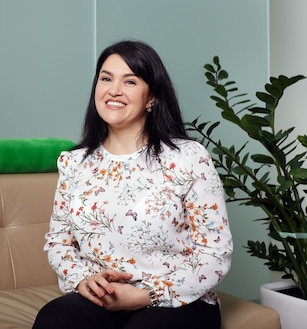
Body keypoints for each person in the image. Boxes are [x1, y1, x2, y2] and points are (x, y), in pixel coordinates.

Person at [32, 40, 233, 329]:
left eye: (130, 81)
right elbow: (58, 243)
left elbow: (215, 253)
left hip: (178, 298)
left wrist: (146, 294)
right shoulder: (74, 163)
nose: (114, 90)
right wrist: (83, 279)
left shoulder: (188, 158)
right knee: (53, 320)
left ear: (151, 97)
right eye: (106, 79)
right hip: (104, 297)